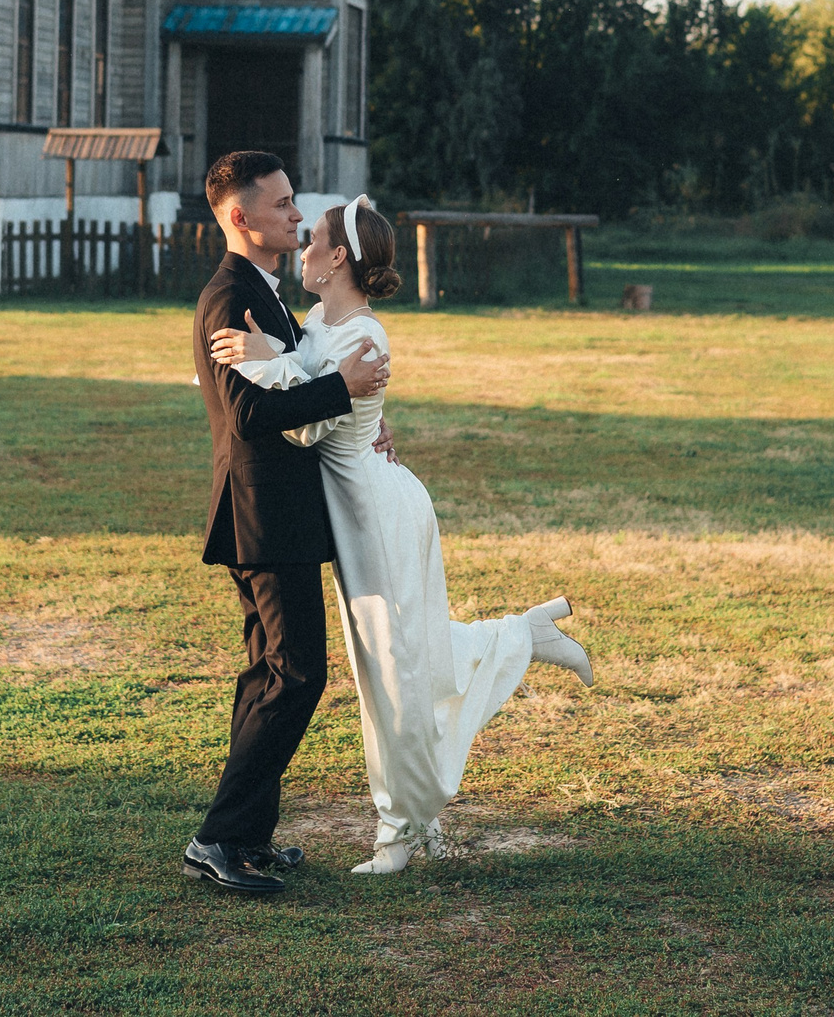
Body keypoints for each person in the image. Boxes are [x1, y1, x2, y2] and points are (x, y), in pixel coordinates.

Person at [212, 194, 593, 874]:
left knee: (395, 672)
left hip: (379, 512)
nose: (302, 245)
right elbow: (320, 390)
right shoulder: (319, 323)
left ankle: (400, 830)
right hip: (353, 512)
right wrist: (279, 357)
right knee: (401, 660)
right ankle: (519, 639)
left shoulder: (365, 334)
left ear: (337, 259)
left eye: (315, 239)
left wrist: (267, 361)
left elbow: (308, 426)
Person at [182, 150, 392, 897]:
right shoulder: (228, 297)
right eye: (282, 206)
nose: (298, 217)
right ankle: (217, 837)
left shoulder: (263, 291)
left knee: (266, 674)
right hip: (265, 517)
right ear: (241, 217)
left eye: (296, 203)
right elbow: (251, 415)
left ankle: (246, 838)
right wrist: (344, 387)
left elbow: (289, 373)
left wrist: (361, 415)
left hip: (280, 515)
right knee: (298, 675)